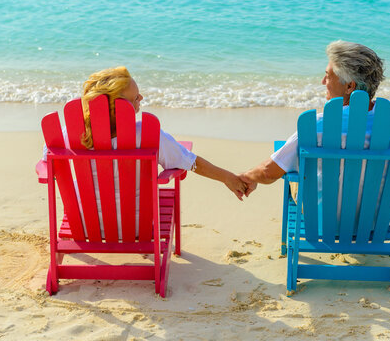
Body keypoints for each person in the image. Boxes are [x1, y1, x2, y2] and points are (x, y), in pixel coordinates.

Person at [43, 66, 246, 237]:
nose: (141, 97)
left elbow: (46, 164)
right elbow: (190, 162)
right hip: (137, 225)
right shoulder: (147, 135)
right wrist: (229, 178)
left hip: (84, 224)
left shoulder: (70, 133)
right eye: (135, 97)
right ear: (118, 108)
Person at [239, 40, 390, 224]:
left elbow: (268, 173)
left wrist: (247, 177)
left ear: (349, 86)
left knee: (295, 171)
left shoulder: (317, 125)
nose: (322, 82)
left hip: (322, 217)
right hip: (380, 220)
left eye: (328, 76)